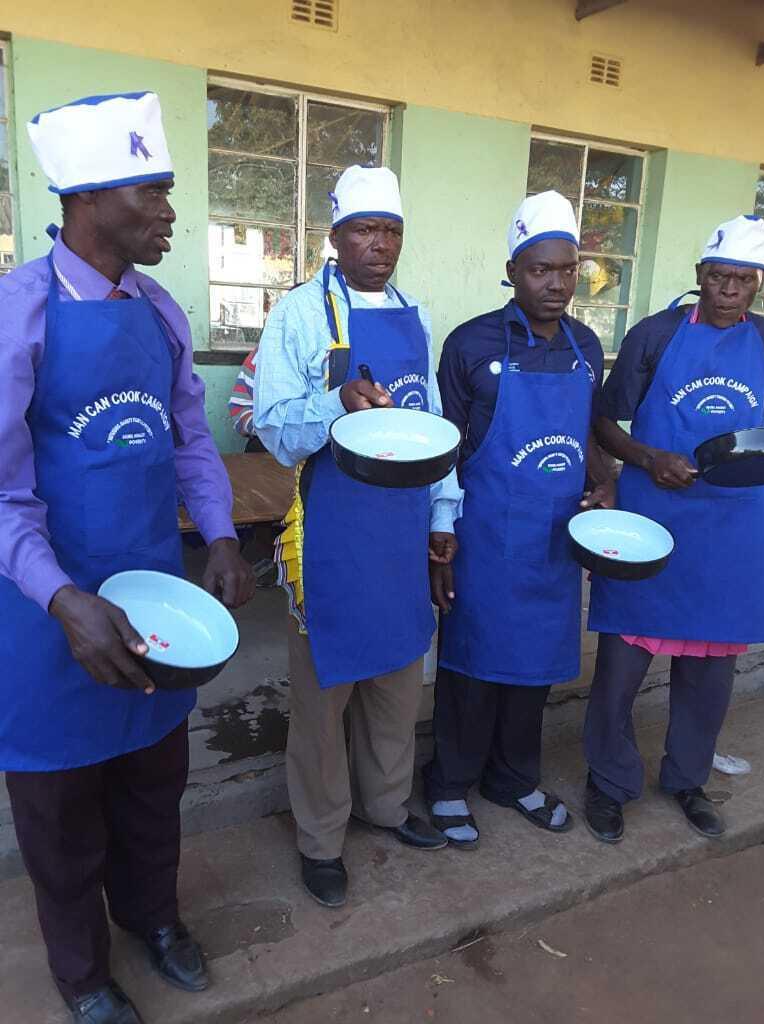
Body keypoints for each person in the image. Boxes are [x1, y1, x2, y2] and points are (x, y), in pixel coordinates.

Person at [0, 92, 255, 1024]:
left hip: (151, 601)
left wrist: (219, 532)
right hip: (41, 616)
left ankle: (153, 919)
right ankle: (82, 975)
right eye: (153, 192)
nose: (170, 214)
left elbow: (190, 436)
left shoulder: (158, 310)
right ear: (89, 197)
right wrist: (62, 598)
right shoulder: (17, 314)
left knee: (154, 781)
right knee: (61, 816)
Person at [252, 165, 463, 908]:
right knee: (323, 701)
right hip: (331, 536)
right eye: (365, 231)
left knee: (396, 686)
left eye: (391, 231)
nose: (380, 245)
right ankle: (320, 837)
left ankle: (386, 806)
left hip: (401, 532)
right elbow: (274, 429)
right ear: (334, 237)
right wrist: (333, 401)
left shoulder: (415, 313)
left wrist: (443, 516)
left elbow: (433, 428)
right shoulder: (301, 314)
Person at [423, 191, 614, 846]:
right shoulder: (471, 344)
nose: (556, 282)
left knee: (532, 668)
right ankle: (449, 781)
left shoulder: (587, 346)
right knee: (472, 665)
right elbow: (444, 445)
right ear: (512, 271)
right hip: (485, 533)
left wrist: (603, 479)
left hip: (555, 537)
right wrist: (438, 529)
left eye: (567, 269)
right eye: (540, 269)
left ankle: (513, 777)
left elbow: (585, 431)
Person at [584, 214, 764, 843]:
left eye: (743, 280)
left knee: (710, 673)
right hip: (651, 518)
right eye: (719, 277)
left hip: (734, 527)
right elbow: (604, 423)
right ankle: (609, 783)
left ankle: (687, 779)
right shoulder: (655, 335)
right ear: (699, 276)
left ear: (758, 285)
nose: (729, 290)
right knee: (621, 666)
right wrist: (646, 459)